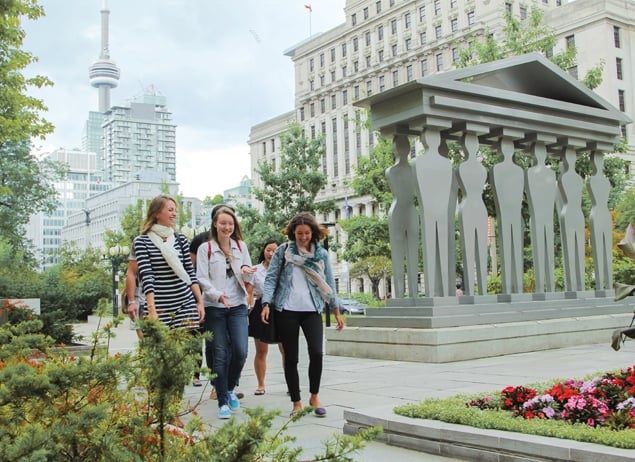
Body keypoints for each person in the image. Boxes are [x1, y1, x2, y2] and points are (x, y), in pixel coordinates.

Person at [261, 212, 344, 418]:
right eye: (299, 233)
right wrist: (266, 303)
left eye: (307, 233)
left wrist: (335, 309)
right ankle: (296, 402)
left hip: (312, 309)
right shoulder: (283, 251)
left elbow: (329, 282)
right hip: (286, 309)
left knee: (316, 352)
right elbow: (271, 279)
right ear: (292, 233)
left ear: (313, 233)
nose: (303, 237)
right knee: (291, 357)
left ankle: (314, 396)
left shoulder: (320, 254)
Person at [133, 195, 205, 427]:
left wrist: (199, 301)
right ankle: (159, 405)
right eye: (170, 210)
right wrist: (152, 310)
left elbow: (190, 273)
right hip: (159, 306)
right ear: (156, 213)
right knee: (160, 361)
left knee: (181, 361)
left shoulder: (181, 240)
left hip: (184, 304)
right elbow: (146, 276)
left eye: (176, 210)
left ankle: (173, 407)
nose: (175, 214)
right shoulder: (142, 242)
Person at [196, 206, 255, 420]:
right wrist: (216, 294)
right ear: (215, 224)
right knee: (220, 353)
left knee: (240, 351)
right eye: (223, 223)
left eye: (230, 224)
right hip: (215, 308)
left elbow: (248, 276)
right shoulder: (206, 249)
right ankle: (222, 400)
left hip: (238, 305)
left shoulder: (241, 246)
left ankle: (230, 388)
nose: (227, 227)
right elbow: (201, 277)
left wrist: (247, 273)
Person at [248, 239, 285, 395]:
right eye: (268, 250)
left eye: (275, 250)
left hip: (280, 309)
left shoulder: (284, 269)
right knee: (261, 350)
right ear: (263, 251)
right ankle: (261, 384)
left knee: (286, 350)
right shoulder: (255, 270)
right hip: (260, 307)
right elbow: (249, 293)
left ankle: (291, 383)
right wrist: (247, 311)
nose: (271, 253)